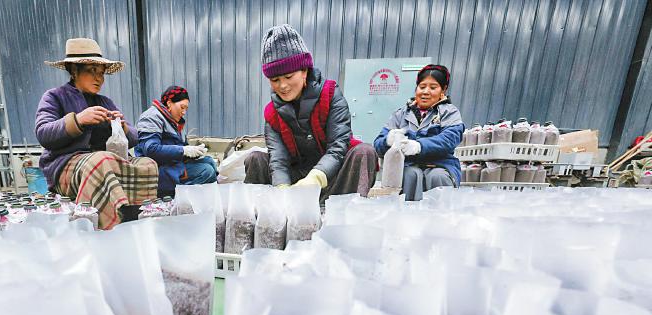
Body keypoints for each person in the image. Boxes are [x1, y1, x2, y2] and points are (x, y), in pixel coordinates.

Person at [244, 24, 378, 201]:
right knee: (255, 158)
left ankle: (347, 209)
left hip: (332, 177)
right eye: (275, 80)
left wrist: (316, 178)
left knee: (364, 152)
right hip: (296, 181)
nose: (282, 85)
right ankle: (271, 210)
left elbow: (338, 147)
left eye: (289, 77)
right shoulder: (272, 114)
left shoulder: (330, 95)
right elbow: (278, 161)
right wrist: (282, 190)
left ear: (304, 71)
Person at [35, 38, 158, 229]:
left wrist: (122, 127)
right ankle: (102, 227)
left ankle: (136, 220)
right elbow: (43, 133)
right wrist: (78, 120)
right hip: (65, 165)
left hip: (103, 162)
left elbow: (134, 138)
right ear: (74, 70)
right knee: (101, 161)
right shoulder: (54, 96)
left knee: (147, 164)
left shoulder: (105, 102)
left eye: (101, 73)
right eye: (92, 71)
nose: (99, 78)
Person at [373, 64, 464, 201]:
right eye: (422, 87)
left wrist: (419, 146)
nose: (426, 92)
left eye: (433, 87)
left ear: (443, 90)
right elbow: (378, 145)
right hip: (407, 165)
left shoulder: (449, 112)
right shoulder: (401, 114)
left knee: (437, 177)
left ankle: (440, 213)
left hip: (441, 164)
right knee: (409, 175)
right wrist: (387, 140)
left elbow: (450, 139)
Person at [134, 85, 217, 198]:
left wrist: (195, 152)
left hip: (172, 163)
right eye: (182, 107)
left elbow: (180, 146)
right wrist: (183, 150)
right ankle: (174, 199)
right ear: (169, 103)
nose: (184, 112)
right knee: (206, 171)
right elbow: (151, 149)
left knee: (210, 161)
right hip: (159, 170)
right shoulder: (151, 117)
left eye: (186, 109)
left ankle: (204, 200)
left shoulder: (174, 121)